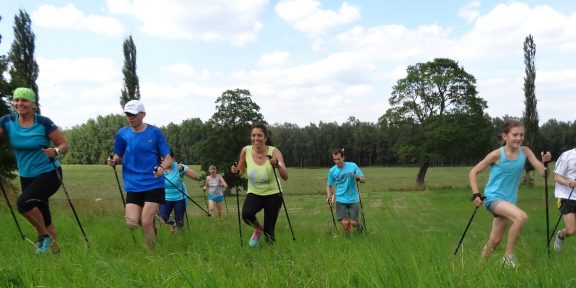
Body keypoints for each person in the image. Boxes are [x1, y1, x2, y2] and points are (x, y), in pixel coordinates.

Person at [469, 120, 551, 268]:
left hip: (509, 202)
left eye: (521, 135)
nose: (519, 138)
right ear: (505, 136)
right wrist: (476, 195)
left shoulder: (525, 152)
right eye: (515, 135)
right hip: (493, 198)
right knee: (521, 217)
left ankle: (478, 268)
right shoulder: (496, 154)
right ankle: (508, 257)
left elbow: (544, 174)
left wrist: (546, 163)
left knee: (495, 240)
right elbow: (473, 172)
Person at [0, 87, 68, 254]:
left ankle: (43, 237)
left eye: (24, 100)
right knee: (44, 216)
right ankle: (55, 254)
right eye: (16, 100)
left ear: (33, 104)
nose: (19, 103)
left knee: (24, 203)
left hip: (50, 173)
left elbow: (64, 145)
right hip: (27, 176)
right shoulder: (7, 121)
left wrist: (56, 151)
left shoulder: (43, 122)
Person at [107, 100, 172, 249]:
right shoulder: (122, 134)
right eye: (128, 115)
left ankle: (152, 257)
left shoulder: (155, 132)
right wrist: (113, 161)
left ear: (143, 114)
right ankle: (151, 222)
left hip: (153, 182)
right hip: (133, 184)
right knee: (131, 223)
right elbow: (118, 155)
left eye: (134, 115)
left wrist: (162, 167)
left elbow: (167, 158)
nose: (130, 118)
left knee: (146, 222)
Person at [231, 123, 288, 247]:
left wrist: (277, 164)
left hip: (273, 194)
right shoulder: (245, 151)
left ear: (265, 138)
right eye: (253, 135)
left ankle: (271, 259)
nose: (256, 138)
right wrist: (236, 171)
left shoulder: (274, 151)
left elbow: (285, 176)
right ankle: (257, 229)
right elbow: (240, 171)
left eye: (259, 135)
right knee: (246, 214)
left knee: (269, 232)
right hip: (254, 193)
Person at [326, 148, 366, 236]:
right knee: (345, 223)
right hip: (340, 199)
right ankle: (347, 242)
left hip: (353, 198)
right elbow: (329, 185)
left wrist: (358, 178)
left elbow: (364, 179)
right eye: (334, 159)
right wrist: (329, 197)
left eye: (338, 159)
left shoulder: (353, 166)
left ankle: (359, 227)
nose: (336, 161)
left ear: (343, 157)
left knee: (353, 223)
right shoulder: (332, 171)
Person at [159, 150, 198, 233]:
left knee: (180, 222)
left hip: (180, 198)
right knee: (163, 219)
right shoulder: (160, 169)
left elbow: (195, 176)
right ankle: (173, 223)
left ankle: (183, 238)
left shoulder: (178, 166)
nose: (163, 162)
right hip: (166, 198)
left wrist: (183, 169)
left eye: (165, 160)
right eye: (161, 161)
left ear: (172, 158)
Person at [552, 148, 576, 252]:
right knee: (572, 230)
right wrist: (569, 183)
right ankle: (560, 235)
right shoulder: (567, 155)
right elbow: (557, 177)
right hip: (567, 196)